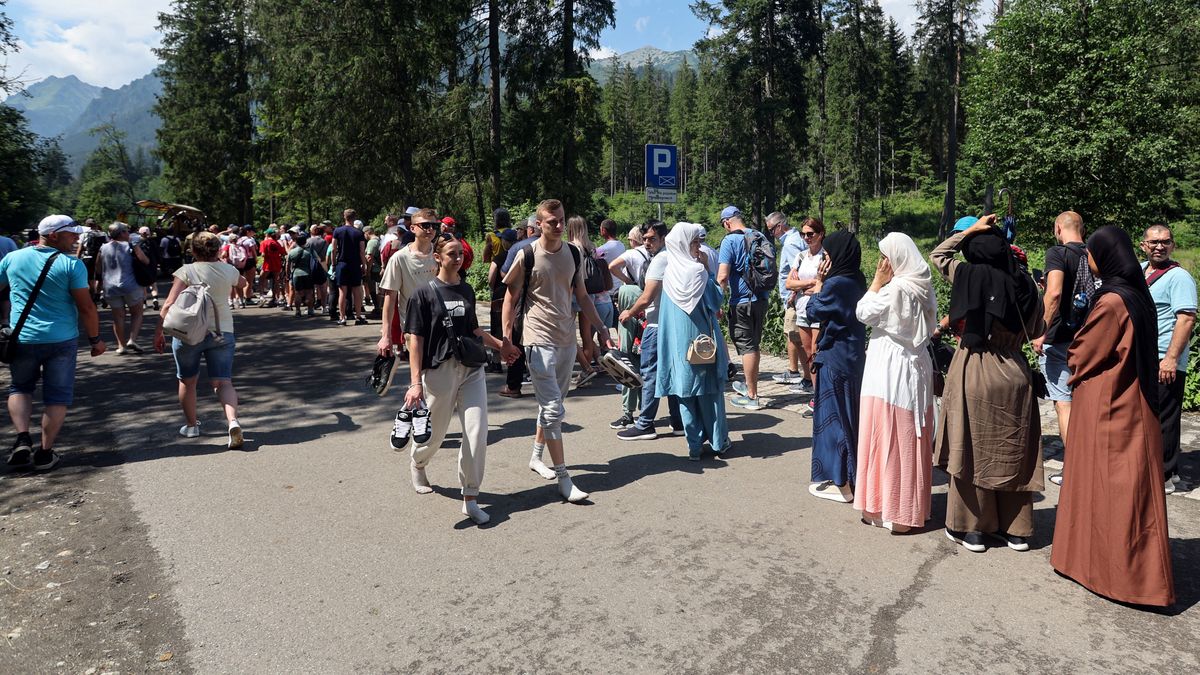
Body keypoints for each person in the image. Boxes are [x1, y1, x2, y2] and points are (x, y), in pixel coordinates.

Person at [1048, 226, 1174, 607]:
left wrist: (1071, 345)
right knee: (1119, 488)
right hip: (1131, 401)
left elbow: (1083, 353)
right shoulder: (1136, 294)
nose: (1087, 259)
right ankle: (1103, 567)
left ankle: (1120, 577)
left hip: (1111, 407)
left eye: (1091, 252)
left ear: (1104, 256)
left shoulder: (1112, 302)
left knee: (1111, 489)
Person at [931, 216, 1044, 553]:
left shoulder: (969, 274)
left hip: (977, 366)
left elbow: (938, 255)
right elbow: (1037, 328)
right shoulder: (1027, 284)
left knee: (972, 449)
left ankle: (972, 529)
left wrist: (970, 229)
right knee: (1013, 450)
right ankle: (1016, 530)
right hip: (1016, 370)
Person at [501, 199, 613, 501]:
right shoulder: (527, 254)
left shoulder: (573, 253)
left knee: (552, 406)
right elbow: (510, 299)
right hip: (537, 339)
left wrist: (602, 329)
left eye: (562, 220)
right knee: (553, 409)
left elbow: (583, 296)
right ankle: (564, 479)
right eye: (553, 222)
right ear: (539, 224)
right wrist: (506, 338)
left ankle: (536, 457)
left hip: (566, 340)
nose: (560, 226)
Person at [401, 235, 505, 525]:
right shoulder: (423, 294)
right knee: (435, 434)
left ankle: (470, 497)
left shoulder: (467, 289)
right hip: (439, 371)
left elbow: (474, 330)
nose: (458, 258)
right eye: (451, 254)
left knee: (477, 432)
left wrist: (501, 345)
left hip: (471, 369)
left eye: (460, 253)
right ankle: (418, 462)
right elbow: (415, 340)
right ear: (437, 257)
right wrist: (415, 383)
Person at [1, 215, 105, 472]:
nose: (77, 238)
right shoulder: (71, 265)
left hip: (22, 338)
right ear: (54, 235)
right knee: (57, 397)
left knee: (20, 388)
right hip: (61, 340)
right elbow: (86, 307)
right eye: (71, 233)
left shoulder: (13, 258)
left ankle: (22, 439)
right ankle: (45, 453)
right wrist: (95, 340)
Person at [853, 233, 937, 532]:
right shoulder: (923, 285)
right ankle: (907, 508)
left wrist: (877, 281)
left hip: (890, 367)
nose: (882, 262)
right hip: (916, 364)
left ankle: (887, 509)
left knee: (885, 432)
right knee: (909, 433)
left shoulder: (895, 289)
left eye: (885, 256)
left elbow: (863, 312)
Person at [153, 231, 248, 448]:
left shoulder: (186, 271)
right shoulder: (228, 269)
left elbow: (168, 304)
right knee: (223, 382)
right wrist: (223, 265)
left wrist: (159, 331)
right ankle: (233, 421)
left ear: (193, 250)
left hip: (188, 333)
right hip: (222, 332)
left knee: (187, 381)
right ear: (218, 249)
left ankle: (191, 426)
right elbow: (242, 284)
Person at [655, 223, 731, 459]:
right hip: (701, 341)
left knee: (685, 392)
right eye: (695, 242)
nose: (699, 247)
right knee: (709, 392)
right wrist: (708, 269)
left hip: (678, 344)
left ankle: (694, 447)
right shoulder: (697, 271)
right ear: (683, 245)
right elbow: (715, 300)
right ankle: (718, 442)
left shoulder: (670, 272)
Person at [804, 230, 867, 503]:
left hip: (835, 355)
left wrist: (819, 283)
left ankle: (842, 482)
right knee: (850, 415)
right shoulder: (858, 279)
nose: (824, 260)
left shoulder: (836, 284)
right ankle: (853, 475)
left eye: (827, 255)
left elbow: (813, 311)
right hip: (854, 353)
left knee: (833, 419)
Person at [1032, 211, 1090, 485]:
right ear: (1082, 229)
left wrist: (1040, 331)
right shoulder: (1094, 254)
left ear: (1058, 228)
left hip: (1060, 339)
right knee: (1086, 402)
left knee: (1064, 403)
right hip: (1090, 337)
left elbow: (1054, 293)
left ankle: (1076, 470)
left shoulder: (1057, 253)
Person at [1140, 224, 1197, 491]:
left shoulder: (1179, 277)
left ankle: (1163, 476)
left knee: (1164, 418)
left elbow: (1186, 319)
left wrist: (1171, 358)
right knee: (1148, 416)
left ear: (1173, 245)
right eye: (1154, 242)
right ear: (1143, 245)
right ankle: (1168, 471)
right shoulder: (1139, 270)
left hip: (1165, 357)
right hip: (1145, 358)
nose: (1159, 246)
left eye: (1165, 242)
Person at [616, 220, 684, 441]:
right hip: (672, 324)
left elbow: (646, 298)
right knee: (671, 373)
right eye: (644, 238)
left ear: (664, 238)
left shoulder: (660, 260)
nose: (647, 243)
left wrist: (629, 312)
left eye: (652, 239)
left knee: (649, 373)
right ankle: (678, 421)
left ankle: (645, 424)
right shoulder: (675, 256)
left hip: (656, 326)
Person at [717, 206, 773, 410]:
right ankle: (750, 385)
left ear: (727, 222)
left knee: (747, 347)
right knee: (754, 345)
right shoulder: (759, 236)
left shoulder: (729, 241)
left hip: (742, 302)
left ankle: (752, 396)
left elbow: (723, 276)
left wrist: (716, 302)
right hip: (762, 298)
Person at [378, 208, 439, 360]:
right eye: (425, 225)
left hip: (440, 324)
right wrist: (386, 336)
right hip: (413, 328)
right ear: (412, 228)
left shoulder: (440, 255)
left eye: (434, 226)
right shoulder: (400, 258)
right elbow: (390, 298)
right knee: (420, 371)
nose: (430, 229)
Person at [495, 216, 541, 398]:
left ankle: (513, 386)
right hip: (546, 304)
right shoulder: (556, 247)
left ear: (531, 229)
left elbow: (505, 273)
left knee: (517, 341)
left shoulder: (519, 247)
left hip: (521, 300)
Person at [783, 218, 826, 399]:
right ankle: (814, 391)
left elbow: (824, 284)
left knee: (816, 352)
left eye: (810, 234)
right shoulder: (800, 256)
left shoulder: (825, 256)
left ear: (820, 234)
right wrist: (810, 283)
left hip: (818, 309)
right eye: (803, 234)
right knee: (808, 352)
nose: (807, 238)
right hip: (801, 309)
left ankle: (820, 393)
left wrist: (801, 285)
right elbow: (788, 284)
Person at [567, 215, 610, 385]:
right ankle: (588, 369)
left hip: (574, 293)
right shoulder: (591, 247)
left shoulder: (571, 247)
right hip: (589, 293)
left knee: (569, 333)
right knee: (586, 335)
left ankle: (586, 369)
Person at [766, 211, 807, 385]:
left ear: (780, 226)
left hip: (794, 298)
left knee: (795, 336)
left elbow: (797, 272)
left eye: (771, 230)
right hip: (796, 296)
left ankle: (805, 377)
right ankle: (794, 371)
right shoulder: (797, 239)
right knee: (792, 335)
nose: (771, 234)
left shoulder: (790, 244)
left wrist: (793, 294)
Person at [97, 223, 151, 354]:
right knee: (137, 313)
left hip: (110, 286)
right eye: (126, 231)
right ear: (121, 233)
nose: (128, 233)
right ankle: (132, 339)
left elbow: (98, 268)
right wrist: (135, 246)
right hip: (131, 285)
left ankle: (121, 346)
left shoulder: (103, 248)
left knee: (118, 317)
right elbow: (145, 261)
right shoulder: (130, 246)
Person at [485, 228, 519, 374]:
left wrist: (495, 288)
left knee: (497, 327)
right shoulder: (520, 255)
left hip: (499, 295)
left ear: (505, 242)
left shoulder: (499, 257)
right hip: (516, 296)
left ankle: (496, 362)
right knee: (516, 328)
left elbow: (491, 277)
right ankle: (518, 362)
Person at [331, 208, 369, 326]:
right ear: (354, 217)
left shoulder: (337, 231)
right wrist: (364, 265)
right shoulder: (359, 233)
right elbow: (362, 251)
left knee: (342, 291)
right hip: (355, 264)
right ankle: (358, 316)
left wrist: (333, 263)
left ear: (344, 216)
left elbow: (333, 249)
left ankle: (342, 318)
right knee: (357, 290)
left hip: (342, 263)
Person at [287, 232, 317, 316]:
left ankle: (298, 311)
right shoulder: (309, 252)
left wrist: (288, 274)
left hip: (296, 274)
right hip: (308, 273)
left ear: (296, 242)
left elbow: (287, 265)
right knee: (309, 292)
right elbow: (316, 261)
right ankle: (310, 310)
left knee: (298, 293)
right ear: (305, 242)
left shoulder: (292, 252)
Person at [78, 218, 107, 302]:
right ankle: (97, 294)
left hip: (88, 258)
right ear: (95, 224)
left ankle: (92, 294)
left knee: (89, 278)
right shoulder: (103, 233)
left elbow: (80, 248)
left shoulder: (84, 234)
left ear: (86, 225)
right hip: (101, 258)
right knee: (100, 278)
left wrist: (77, 259)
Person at [259, 229, 286, 308]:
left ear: (267, 234)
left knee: (262, 279)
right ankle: (275, 298)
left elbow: (263, 254)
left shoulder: (264, 242)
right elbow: (283, 252)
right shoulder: (277, 243)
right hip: (277, 264)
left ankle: (262, 296)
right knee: (276, 281)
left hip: (267, 264)